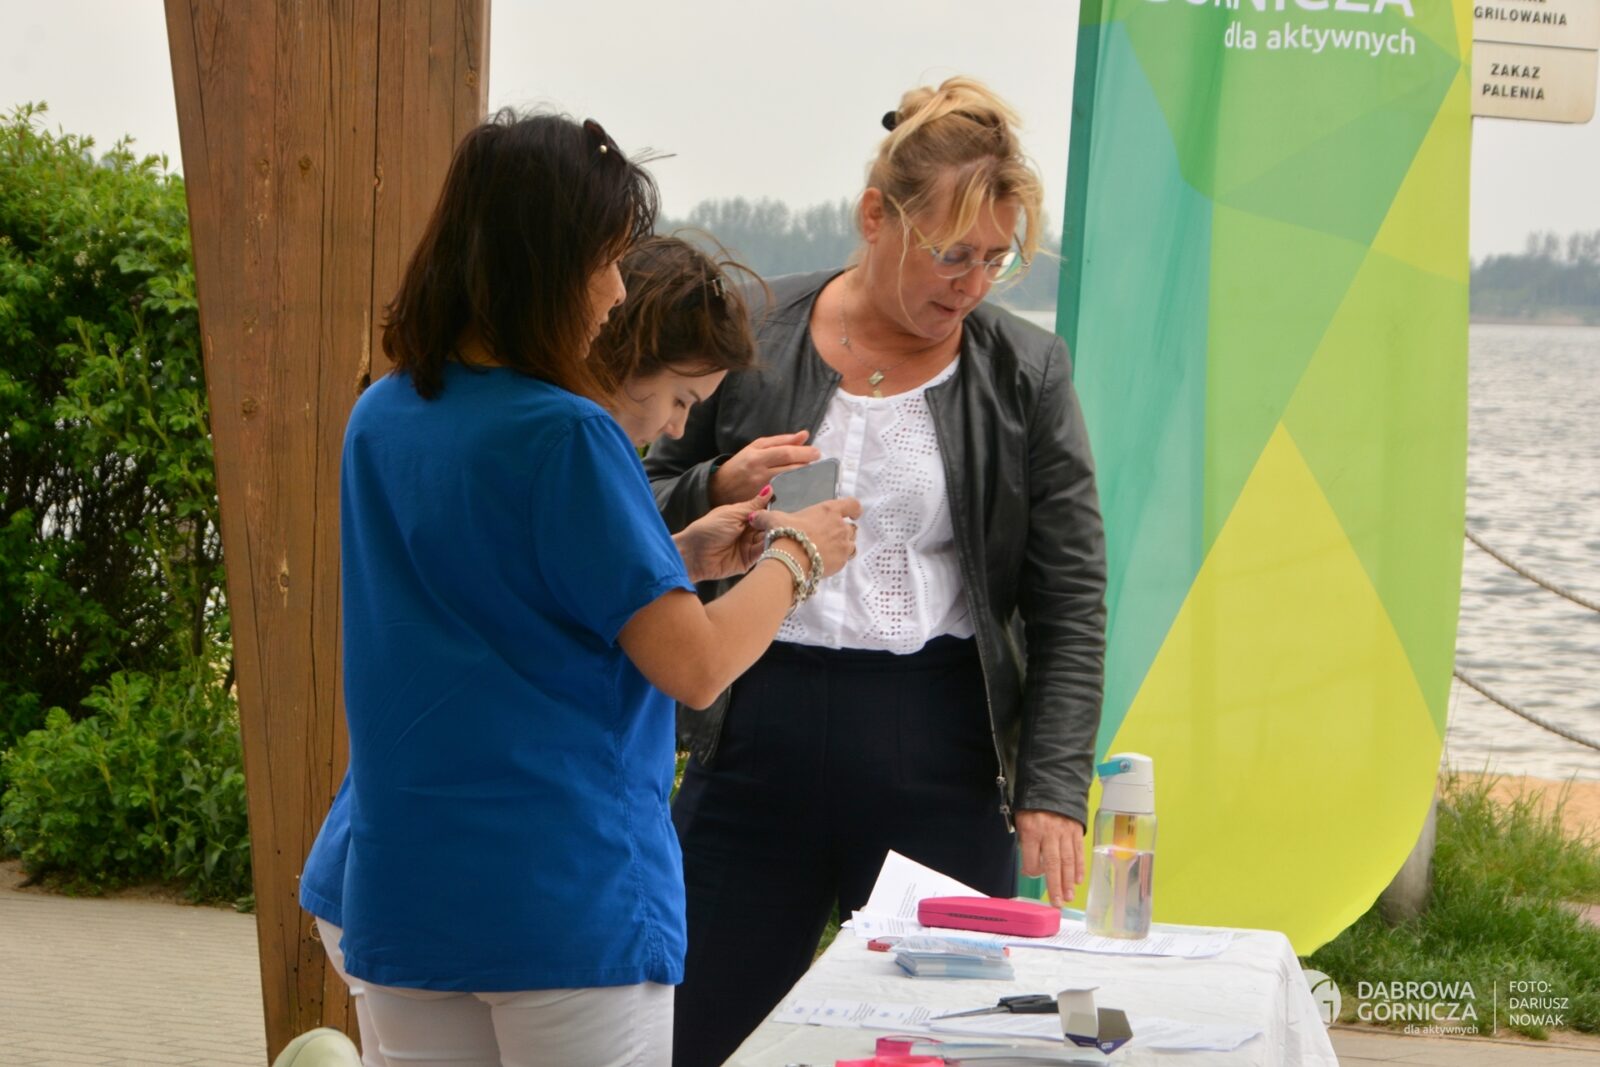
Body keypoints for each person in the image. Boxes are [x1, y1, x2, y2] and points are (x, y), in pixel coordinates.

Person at [300, 111, 859, 1067]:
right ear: (545, 263)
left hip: (407, 887)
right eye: (604, 259)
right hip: (564, 896)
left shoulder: (383, 413)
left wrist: (673, 559)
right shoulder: (567, 433)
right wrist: (798, 557)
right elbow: (696, 666)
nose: (616, 289)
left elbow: (496, 605)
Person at [645, 77, 1109, 1066]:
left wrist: (1052, 785)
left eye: (995, 258)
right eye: (951, 253)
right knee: (689, 1030)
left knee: (941, 1041)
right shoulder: (749, 327)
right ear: (873, 217)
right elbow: (627, 503)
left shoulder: (1027, 371)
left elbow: (1069, 595)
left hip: (938, 743)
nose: (972, 282)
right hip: (751, 724)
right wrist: (716, 482)